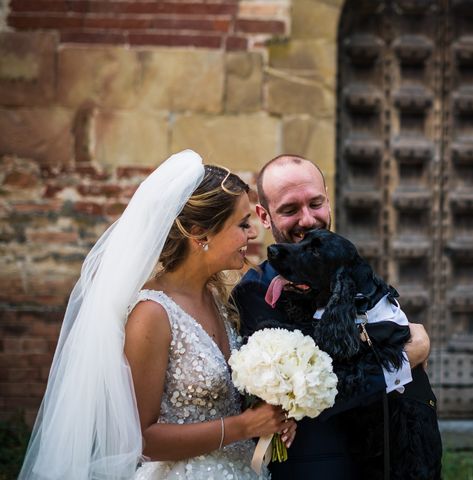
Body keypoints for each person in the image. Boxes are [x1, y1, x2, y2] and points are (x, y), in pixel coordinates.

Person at [19, 150, 296, 480]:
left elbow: (224, 402)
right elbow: (141, 439)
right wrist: (242, 426)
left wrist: (270, 418)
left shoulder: (219, 300)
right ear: (200, 234)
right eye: (242, 224)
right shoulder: (152, 314)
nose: (252, 234)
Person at [232, 154, 431, 479]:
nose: (308, 219)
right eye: (289, 209)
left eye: (315, 203)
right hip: (315, 467)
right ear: (264, 217)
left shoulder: (344, 269)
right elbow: (322, 386)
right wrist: (406, 357)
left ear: (329, 200)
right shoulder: (255, 293)